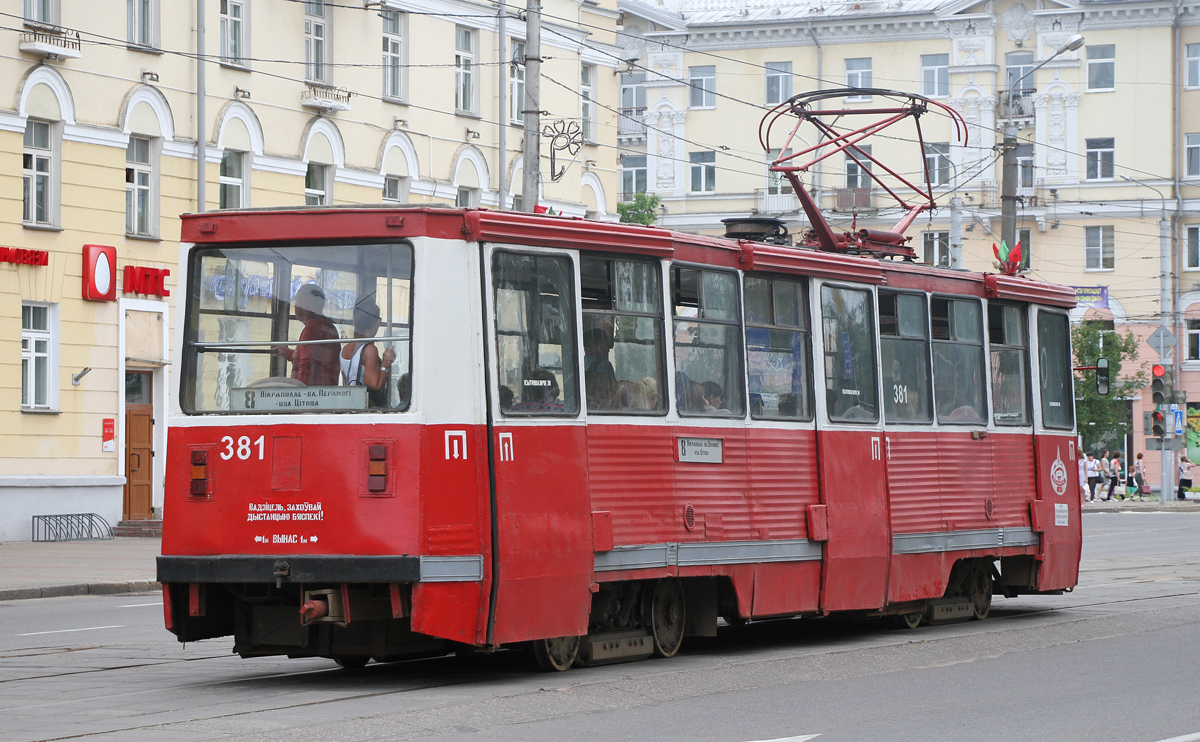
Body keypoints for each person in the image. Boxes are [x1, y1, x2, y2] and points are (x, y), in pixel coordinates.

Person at [273, 284, 340, 386]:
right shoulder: (329, 327)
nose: (295, 305)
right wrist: (286, 352)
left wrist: (299, 393)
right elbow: (314, 357)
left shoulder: (311, 330)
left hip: (311, 395)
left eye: (297, 301)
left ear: (305, 303)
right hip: (326, 391)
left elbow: (307, 366)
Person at [340, 300, 396, 407]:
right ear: (377, 322)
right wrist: (386, 364)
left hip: (350, 405)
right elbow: (375, 386)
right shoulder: (369, 350)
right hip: (366, 408)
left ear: (354, 322)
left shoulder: (344, 350)